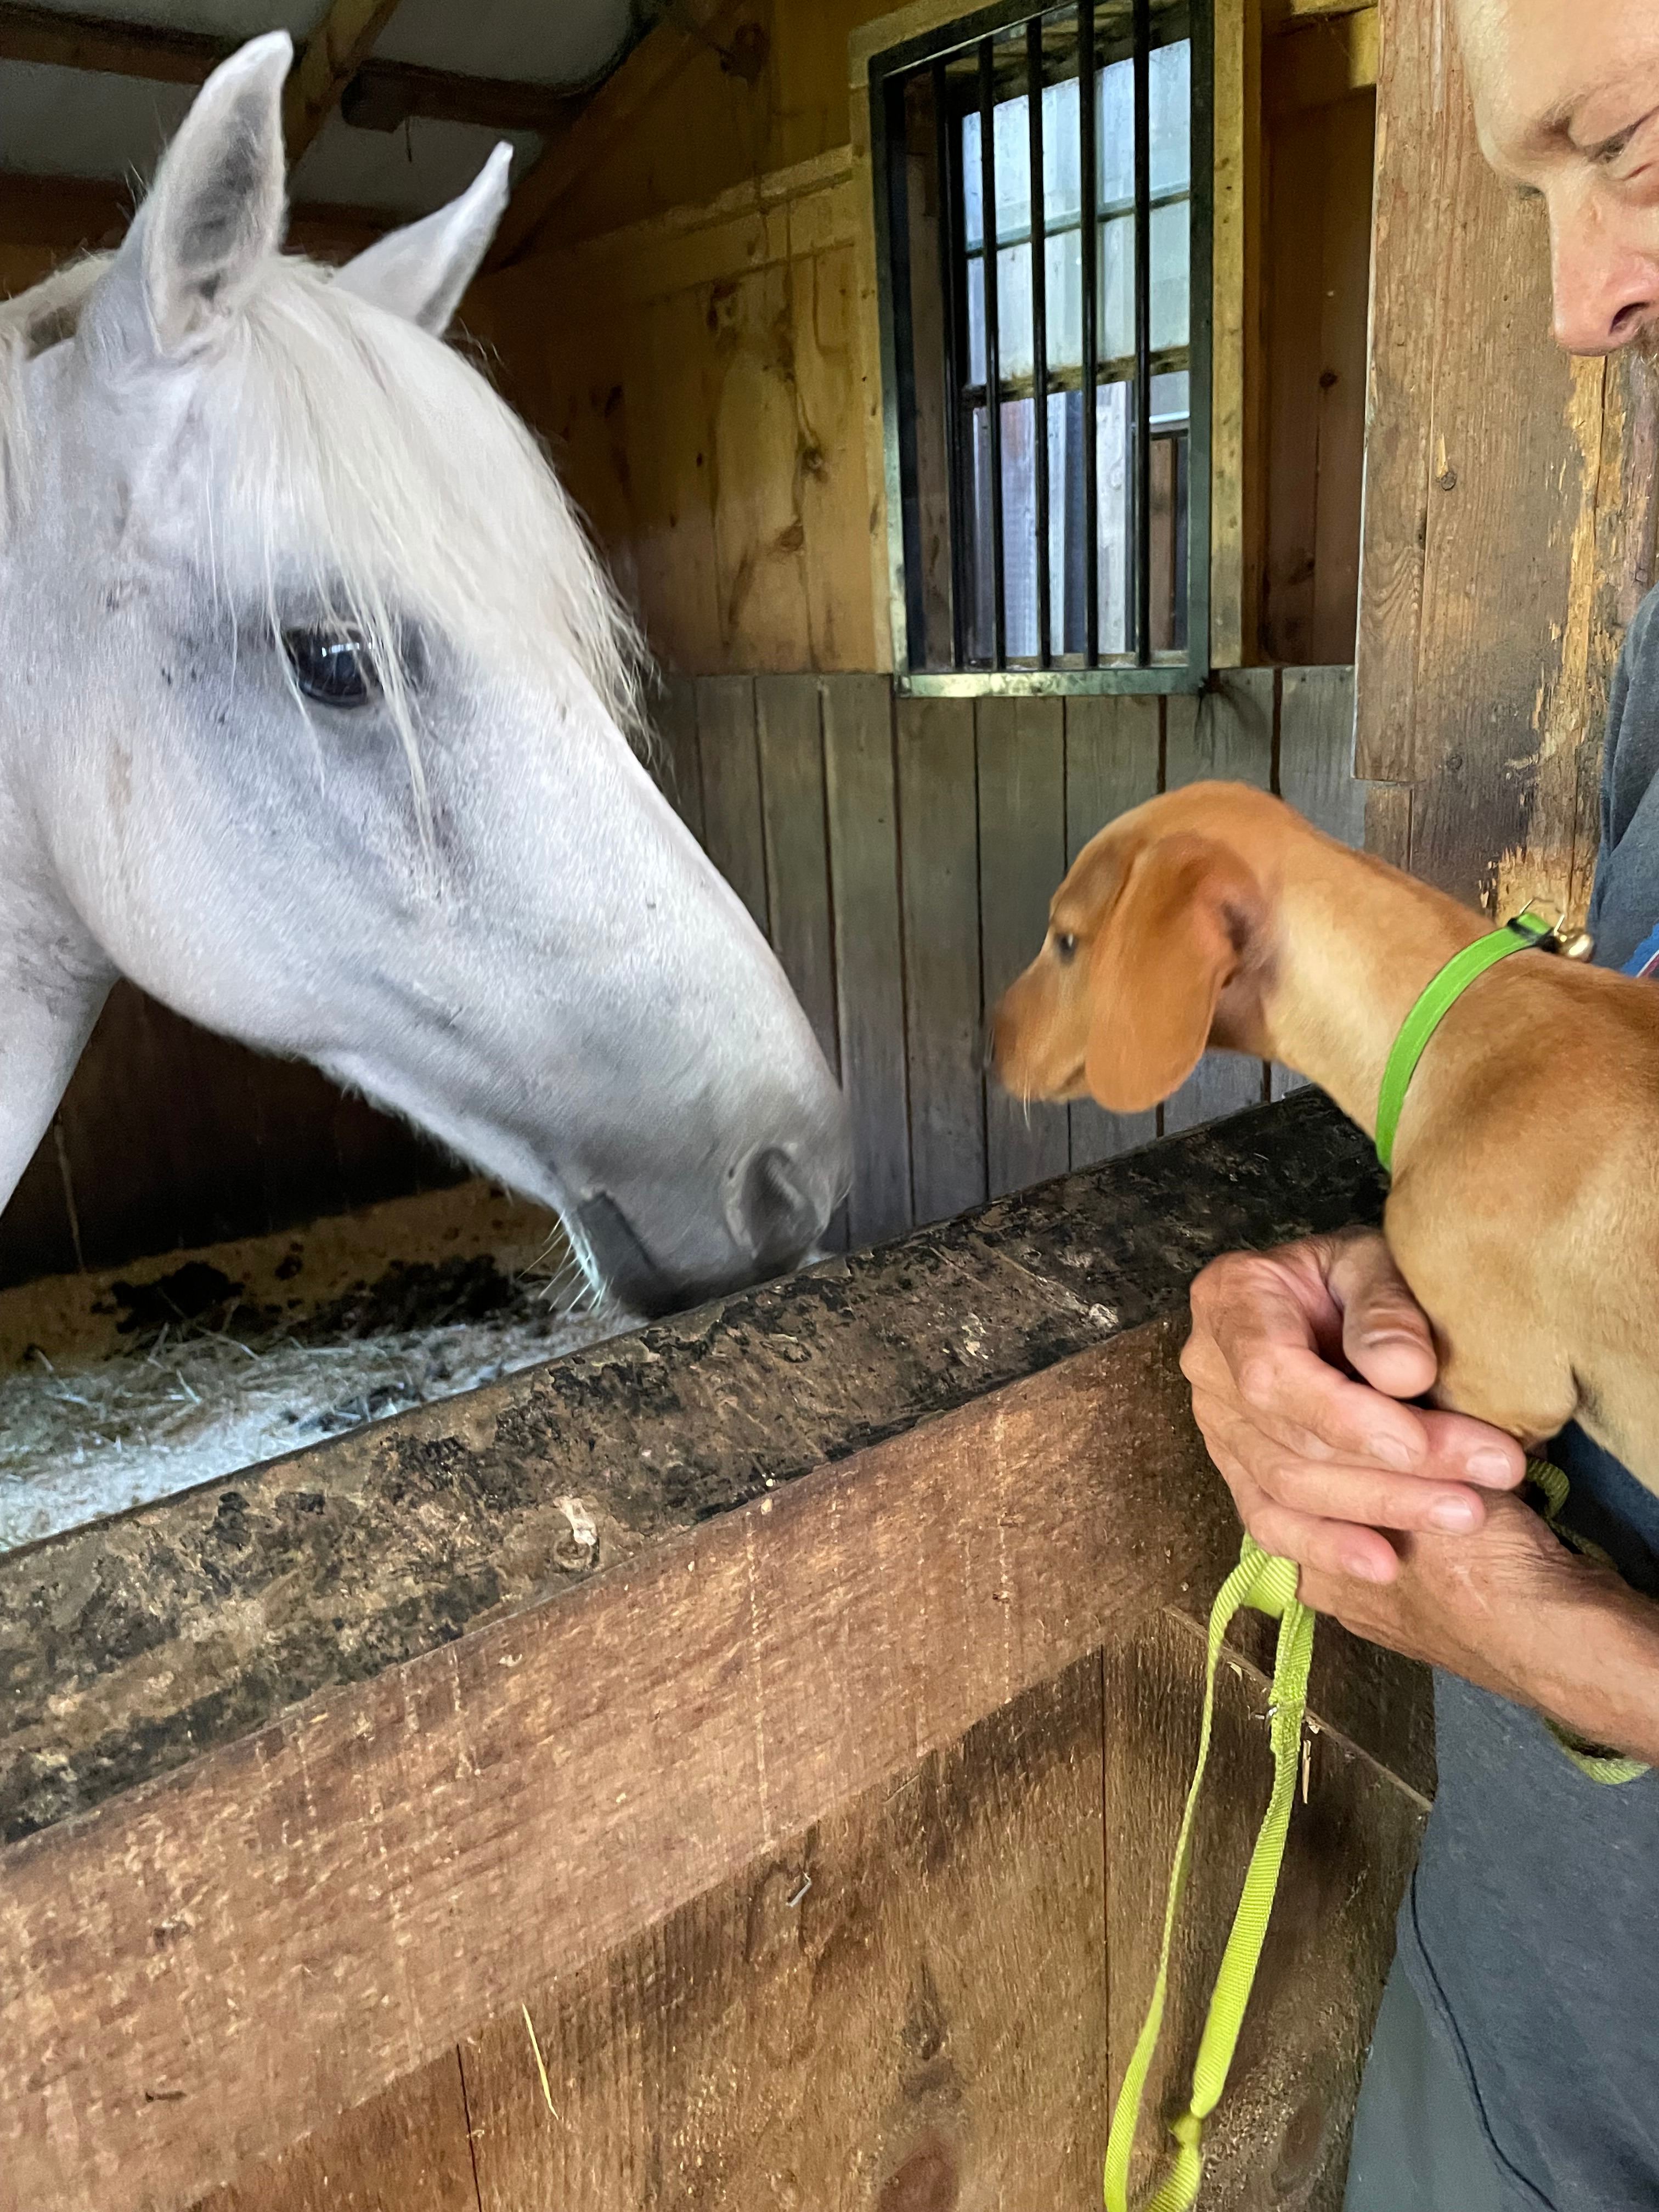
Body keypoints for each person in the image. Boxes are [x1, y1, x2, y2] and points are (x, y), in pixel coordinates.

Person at [1181, 3, 1659, 2206]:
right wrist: (1406, 1287)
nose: (1580, 310)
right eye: (1532, 197)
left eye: (1633, 149)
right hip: (1533, 2032)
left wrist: (1564, 1646)